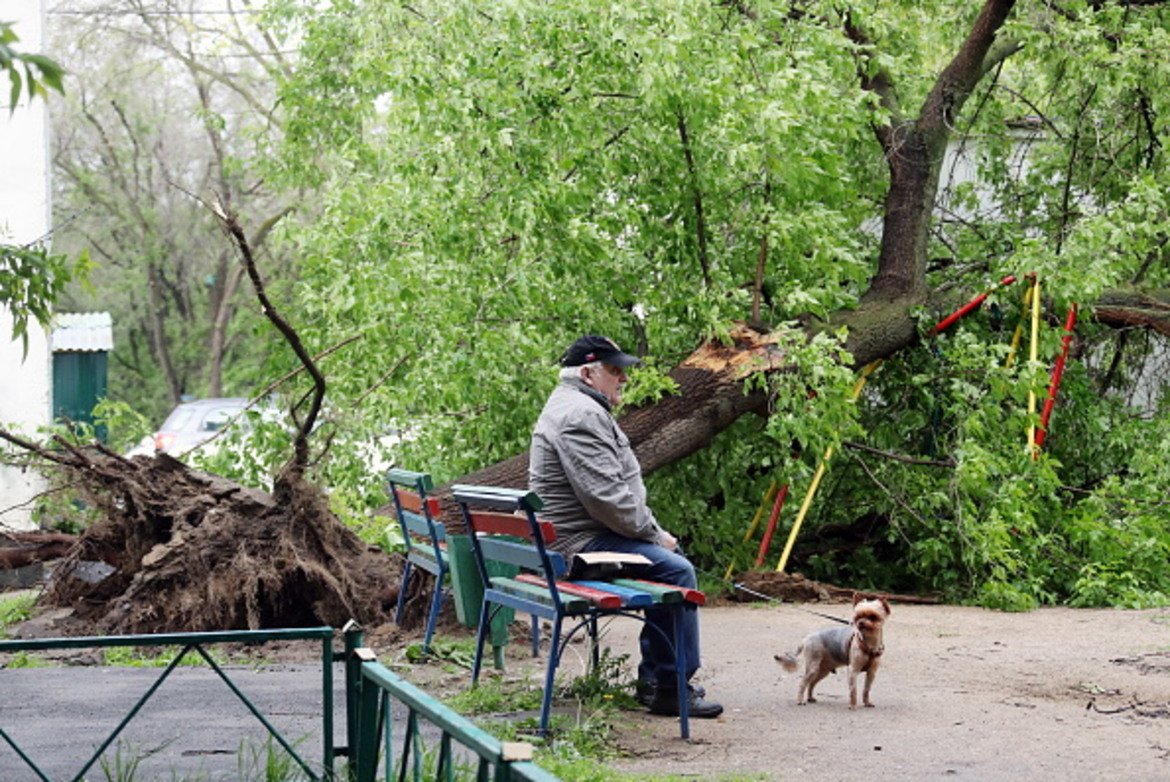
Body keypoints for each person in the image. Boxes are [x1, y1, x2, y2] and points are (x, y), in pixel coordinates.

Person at [528, 334, 723, 719]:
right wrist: (654, 534)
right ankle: (670, 686)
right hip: (576, 548)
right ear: (587, 373)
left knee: (669, 560)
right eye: (615, 370)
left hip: (574, 539)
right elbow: (607, 500)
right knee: (676, 568)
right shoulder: (580, 416)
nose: (624, 378)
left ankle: (657, 679)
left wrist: (653, 534)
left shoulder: (575, 405)